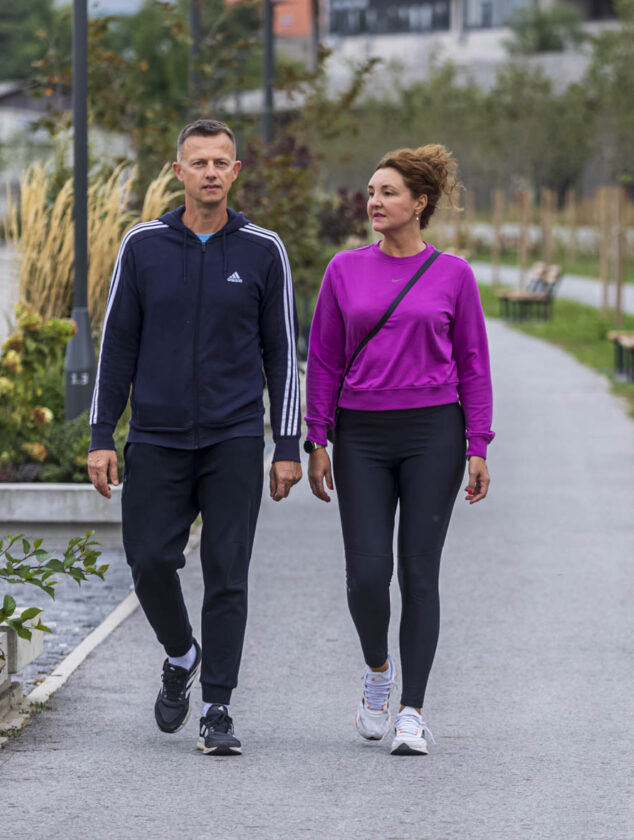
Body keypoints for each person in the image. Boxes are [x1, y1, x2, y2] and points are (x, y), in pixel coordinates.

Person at [87, 119, 303, 756]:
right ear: (177, 172)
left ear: (236, 173)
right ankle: (182, 654)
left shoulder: (263, 249)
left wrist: (286, 445)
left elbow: (283, 354)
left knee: (227, 571)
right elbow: (116, 347)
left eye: (222, 162)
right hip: (155, 435)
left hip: (235, 435)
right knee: (150, 560)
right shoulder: (142, 245)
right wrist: (103, 434)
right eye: (199, 162)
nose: (211, 172)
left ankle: (217, 708)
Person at [303, 144, 493, 756]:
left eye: (388, 192)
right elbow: (325, 358)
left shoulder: (454, 275)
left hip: (433, 433)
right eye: (371, 191)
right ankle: (378, 672)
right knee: (366, 574)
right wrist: (316, 437)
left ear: (420, 203)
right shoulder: (343, 271)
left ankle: (412, 711)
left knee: (418, 572)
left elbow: (473, 364)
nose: (374, 201)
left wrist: (478, 443)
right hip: (361, 435)